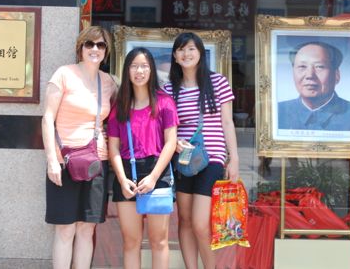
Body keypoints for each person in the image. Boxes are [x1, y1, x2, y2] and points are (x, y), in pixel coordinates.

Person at [41, 26, 117, 268]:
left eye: (101, 45)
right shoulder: (64, 74)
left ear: (107, 51)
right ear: (80, 48)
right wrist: (52, 159)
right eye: (89, 44)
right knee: (65, 229)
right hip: (65, 162)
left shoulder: (109, 83)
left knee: (86, 228)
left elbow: (121, 115)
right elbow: (47, 118)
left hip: (97, 162)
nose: (95, 49)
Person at [163, 32, 239, 269]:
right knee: (184, 220)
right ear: (175, 56)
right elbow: (166, 128)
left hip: (213, 158)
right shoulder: (168, 89)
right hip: (183, 160)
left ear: (200, 54)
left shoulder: (217, 82)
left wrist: (233, 158)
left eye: (191, 49)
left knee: (199, 223)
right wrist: (174, 144)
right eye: (181, 50)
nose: (186, 54)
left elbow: (227, 122)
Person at [107, 47, 178, 269]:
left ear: (152, 70)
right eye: (134, 66)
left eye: (144, 66)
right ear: (127, 70)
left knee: (159, 241)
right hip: (126, 173)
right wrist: (121, 179)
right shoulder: (119, 106)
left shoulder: (164, 102)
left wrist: (154, 177)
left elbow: (171, 142)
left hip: (157, 170)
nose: (139, 71)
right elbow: (114, 148)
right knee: (131, 241)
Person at [277, 41, 350, 131]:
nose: (310, 75)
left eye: (319, 67)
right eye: (302, 67)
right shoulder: (277, 112)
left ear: (336, 75)